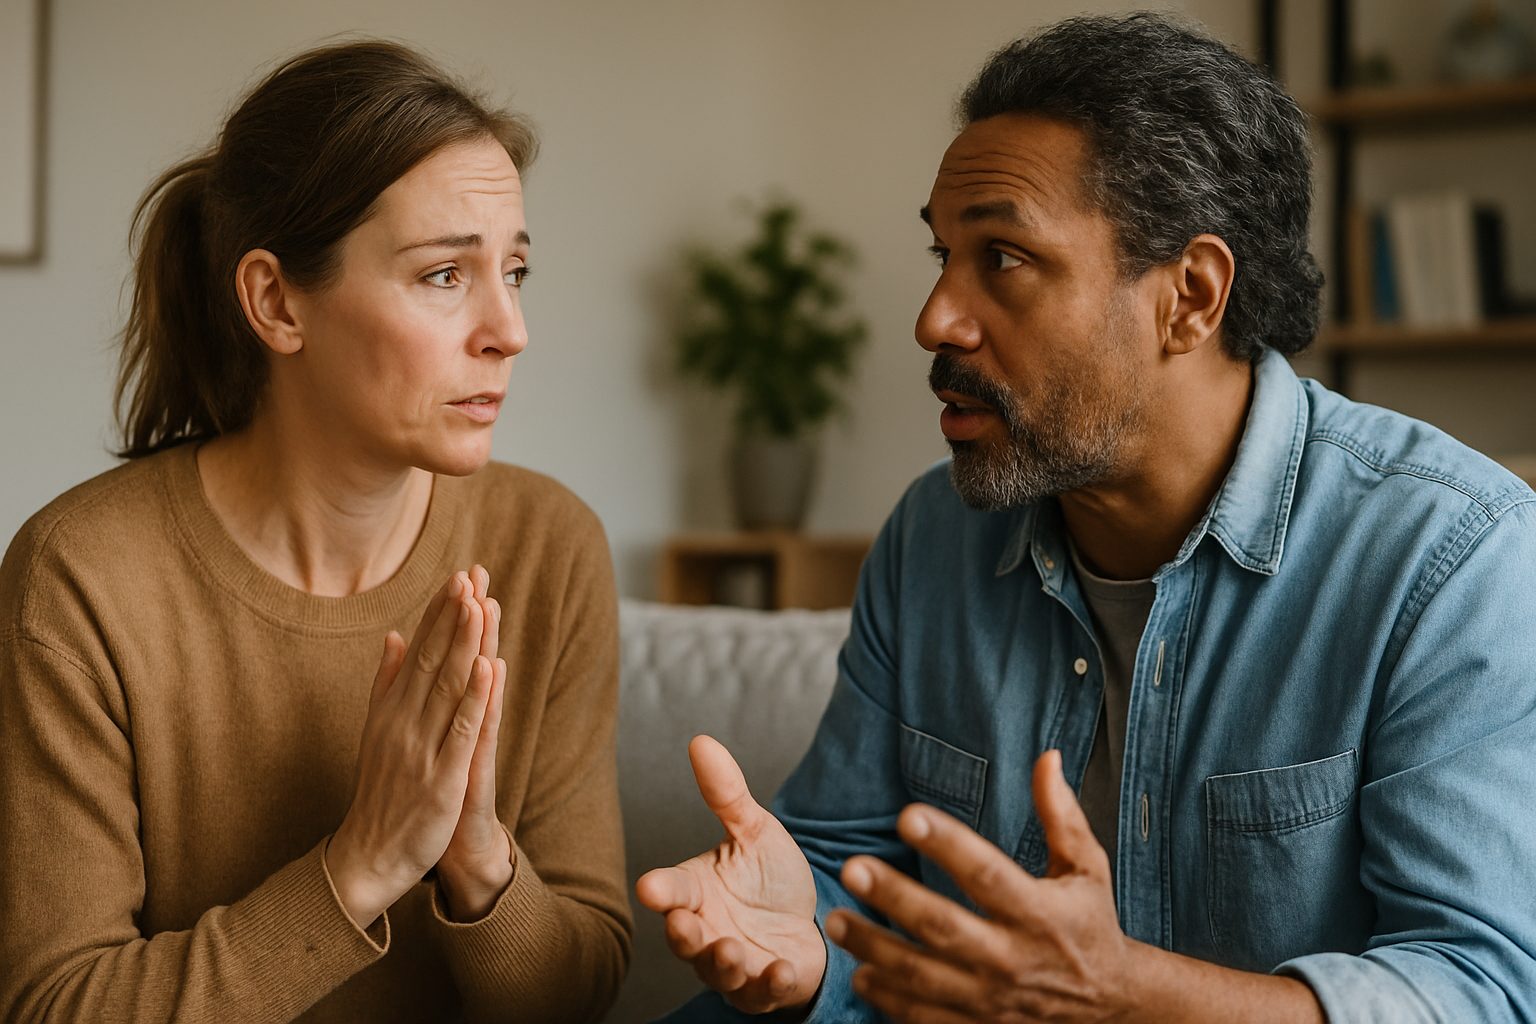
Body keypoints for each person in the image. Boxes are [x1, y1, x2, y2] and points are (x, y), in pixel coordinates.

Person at [638, 13, 1536, 1023]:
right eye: (943, 253)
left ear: (1190, 296)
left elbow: (1480, 990)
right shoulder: (935, 537)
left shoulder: (1453, 557)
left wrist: (1122, 996)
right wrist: (802, 950)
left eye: (1004, 257)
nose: (935, 317)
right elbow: (848, 869)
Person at [0, 40, 630, 1023]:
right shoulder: (79, 577)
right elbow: (54, 1004)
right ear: (277, 301)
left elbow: (580, 990)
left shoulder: (550, 546)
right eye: (442, 276)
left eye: (515, 269)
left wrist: (477, 856)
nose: (509, 328)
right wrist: (362, 865)